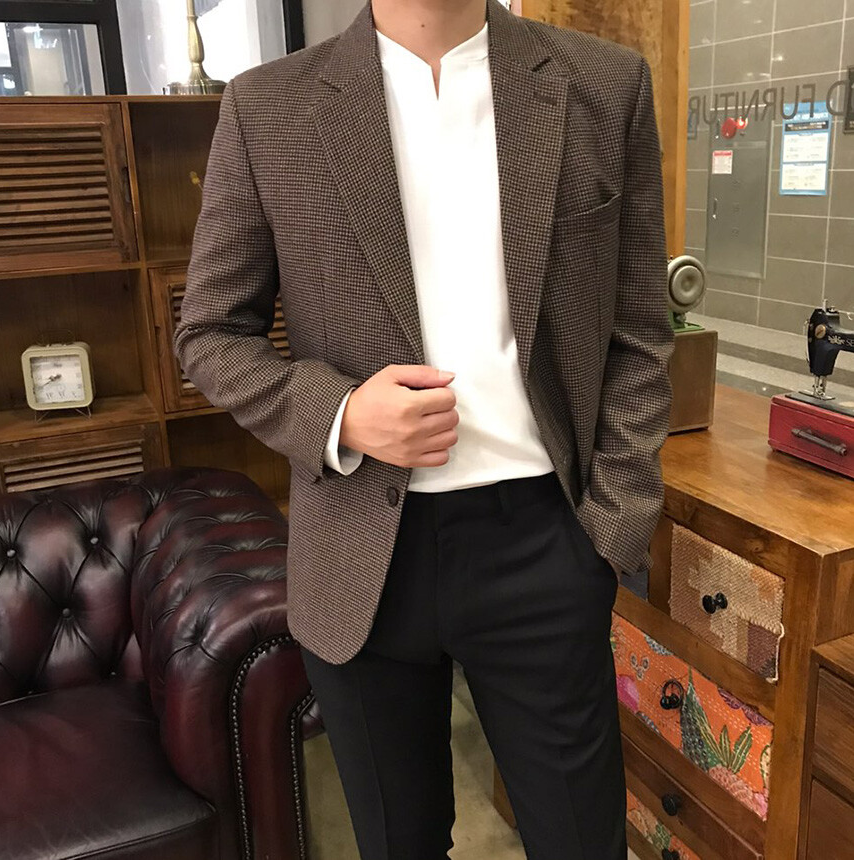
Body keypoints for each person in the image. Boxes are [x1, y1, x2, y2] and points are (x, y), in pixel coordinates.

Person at [175, 0, 674, 857]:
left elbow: (638, 328)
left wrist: (611, 530)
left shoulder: (603, 84)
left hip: (547, 546)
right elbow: (210, 333)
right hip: (360, 553)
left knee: (583, 842)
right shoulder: (268, 107)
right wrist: (339, 413)